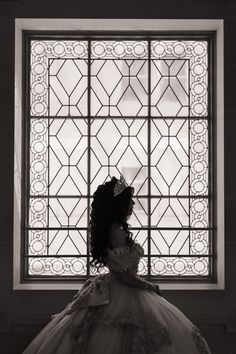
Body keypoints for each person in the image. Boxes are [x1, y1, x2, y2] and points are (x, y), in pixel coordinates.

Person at [23, 176, 211, 354]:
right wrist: (149, 286)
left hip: (113, 287)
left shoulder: (111, 229)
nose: (133, 204)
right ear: (119, 205)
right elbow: (123, 276)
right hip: (122, 290)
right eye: (130, 201)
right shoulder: (118, 232)